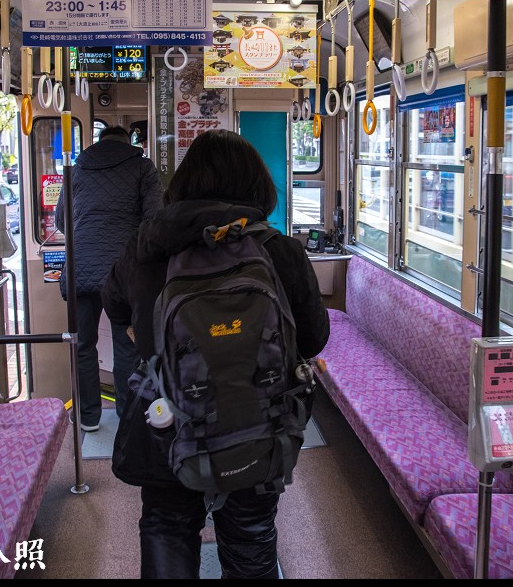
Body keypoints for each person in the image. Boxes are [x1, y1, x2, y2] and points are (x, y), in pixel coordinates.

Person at [102, 129, 330, 579]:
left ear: (185, 182)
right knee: (249, 531)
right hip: (257, 423)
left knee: (168, 525)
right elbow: (315, 338)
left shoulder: (148, 248)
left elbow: (114, 306)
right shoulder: (279, 251)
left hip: (166, 422)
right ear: (257, 187)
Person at [54, 125, 163, 432]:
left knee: (83, 345)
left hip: (80, 269)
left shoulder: (75, 170)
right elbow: (153, 219)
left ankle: (88, 417)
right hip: (124, 273)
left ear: (98, 143)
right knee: (126, 347)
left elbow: (62, 221)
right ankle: (127, 419)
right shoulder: (142, 167)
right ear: (128, 142)